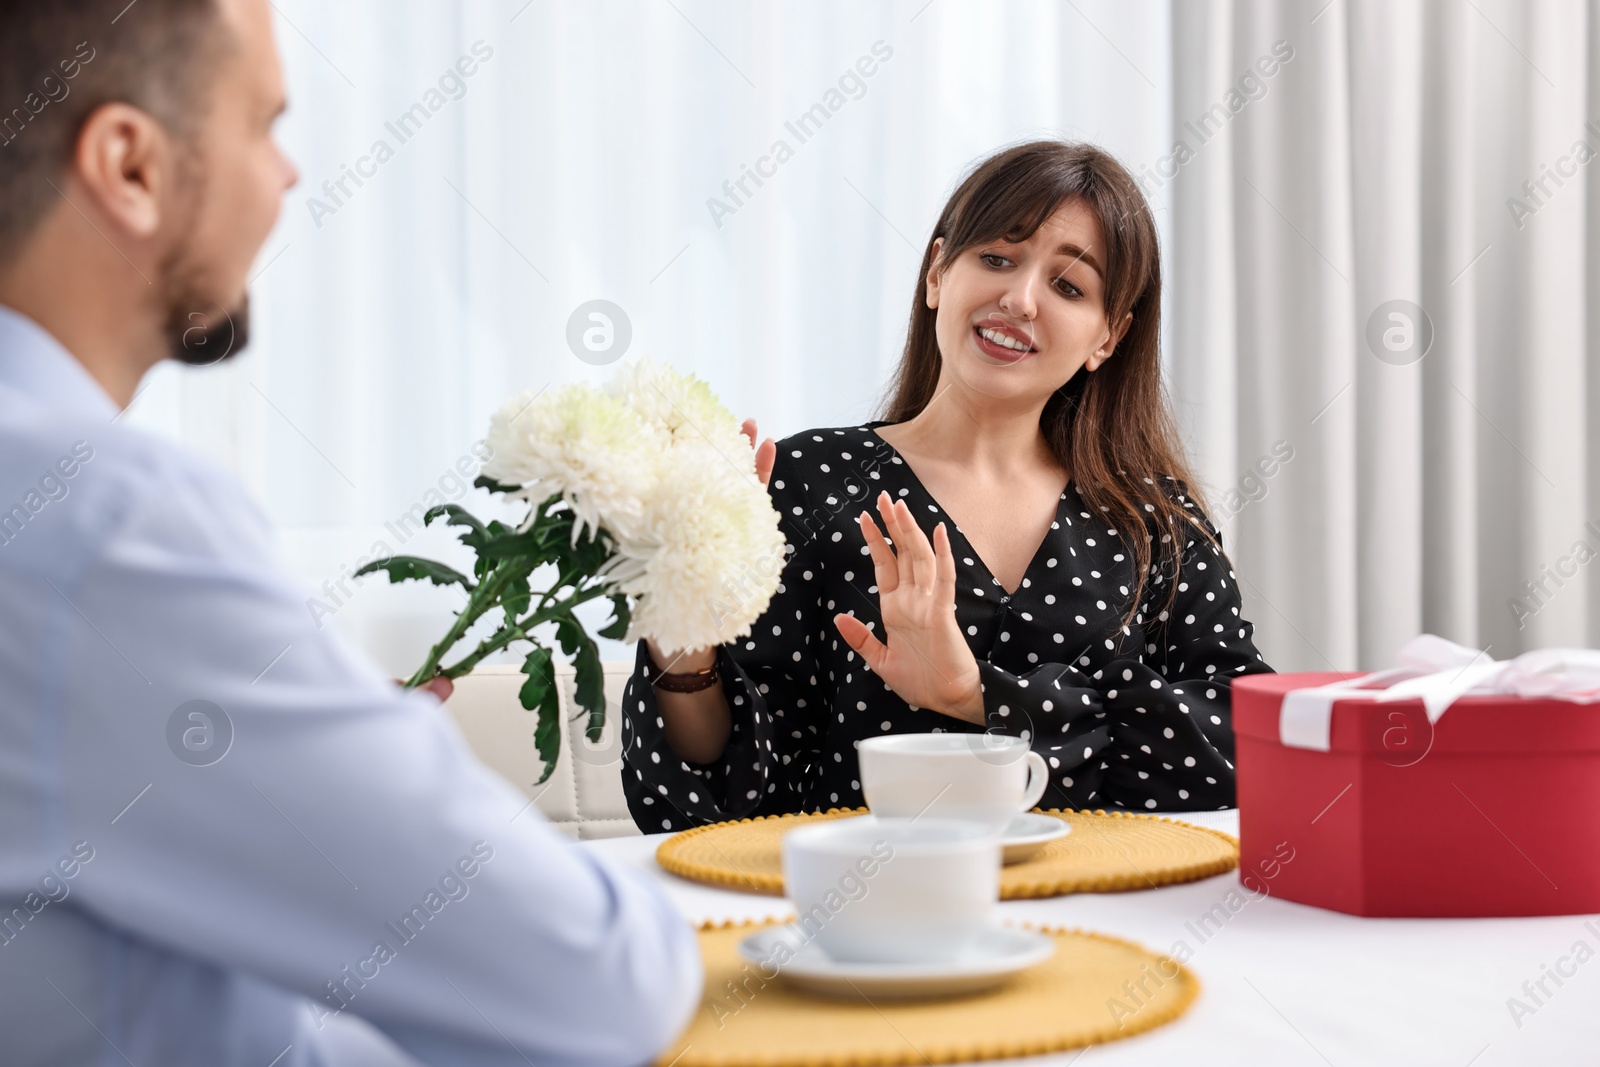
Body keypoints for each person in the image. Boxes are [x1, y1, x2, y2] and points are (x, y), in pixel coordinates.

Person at [0, 2, 699, 1064]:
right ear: (129, 164)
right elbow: (601, 986)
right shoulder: (102, 524)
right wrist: (384, 766)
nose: (286, 176)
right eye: (262, 125)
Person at [624, 140, 1276, 832]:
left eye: (1068, 285)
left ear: (1107, 337)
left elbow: (1248, 741)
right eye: (996, 257)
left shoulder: (1156, 518)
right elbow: (717, 796)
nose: (1019, 299)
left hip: (1112, 914)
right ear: (938, 272)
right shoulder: (800, 485)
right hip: (864, 915)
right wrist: (683, 637)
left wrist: (978, 695)